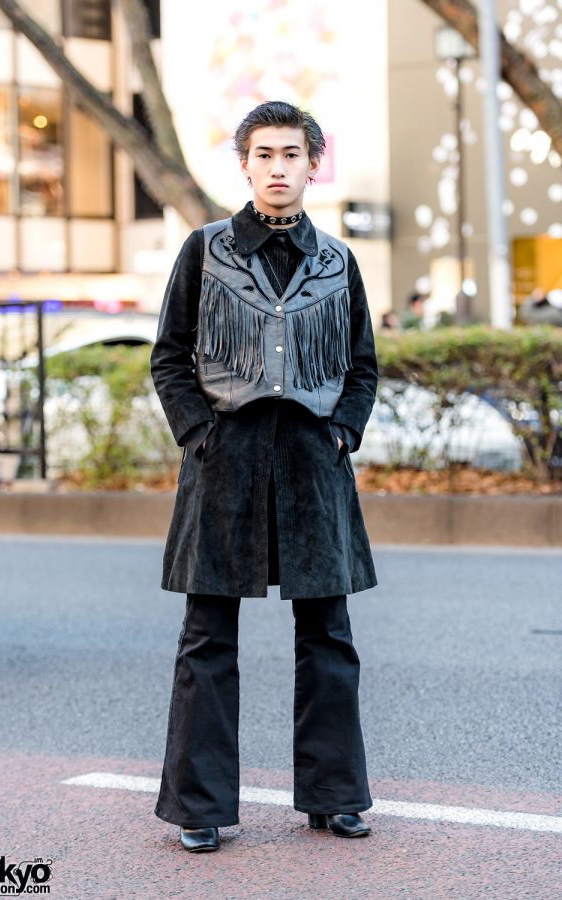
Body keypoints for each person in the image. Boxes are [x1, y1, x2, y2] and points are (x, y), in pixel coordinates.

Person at [150, 100, 378, 853]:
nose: (279, 168)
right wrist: (198, 434)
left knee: (329, 635)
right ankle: (201, 806)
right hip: (225, 464)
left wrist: (343, 430)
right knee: (207, 637)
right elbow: (170, 357)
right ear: (244, 166)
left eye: (292, 155)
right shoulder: (205, 249)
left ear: (315, 164)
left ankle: (335, 796)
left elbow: (362, 367)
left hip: (315, 466)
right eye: (264, 155)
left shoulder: (338, 261)